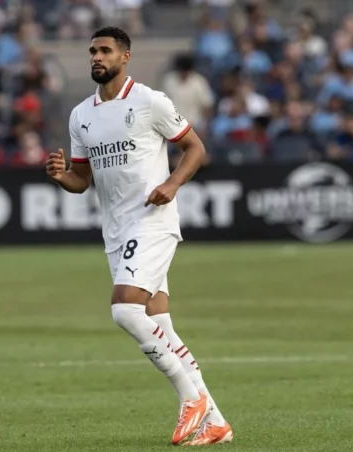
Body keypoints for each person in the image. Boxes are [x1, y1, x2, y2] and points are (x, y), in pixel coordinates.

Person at [45, 27, 232, 446]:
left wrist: (172, 185)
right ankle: (216, 423)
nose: (97, 56)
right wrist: (61, 177)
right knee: (159, 323)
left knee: (125, 312)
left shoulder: (149, 101)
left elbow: (195, 149)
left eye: (105, 50)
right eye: (92, 50)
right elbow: (82, 180)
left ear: (124, 57)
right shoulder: (81, 116)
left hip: (152, 221)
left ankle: (190, 400)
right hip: (116, 231)